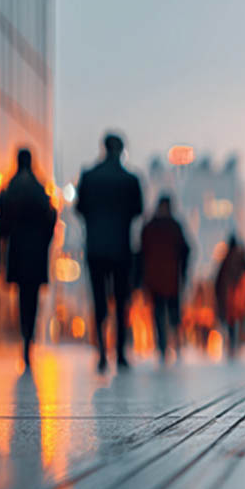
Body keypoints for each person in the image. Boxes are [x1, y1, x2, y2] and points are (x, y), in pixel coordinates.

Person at [76, 133, 144, 371]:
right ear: (121, 150)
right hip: (121, 248)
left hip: (95, 247)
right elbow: (138, 210)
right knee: (121, 300)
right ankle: (121, 352)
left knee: (99, 300)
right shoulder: (130, 180)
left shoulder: (89, 176)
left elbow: (80, 208)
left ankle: (102, 352)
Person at [0, 148, 56, 371]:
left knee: (22, 298)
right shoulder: (39, 190)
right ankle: (29, 338)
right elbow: (51, 219)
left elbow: (0, 226)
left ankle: (25, 339)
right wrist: (45, 243)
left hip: (18, 252)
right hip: (36, 254)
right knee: (32, 298)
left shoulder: (11, 189)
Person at [139, 195, 191, 363]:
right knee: (170, 312)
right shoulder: (174, 227)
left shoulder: (150, 227)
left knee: (160, 313)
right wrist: (183, 272)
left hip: (158, 278)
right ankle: (172, 343)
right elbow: (186, 250)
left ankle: (164, 345)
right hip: (170, 278)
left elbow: (141, 254)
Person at [214, 236, 245, 356]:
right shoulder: (242, 260)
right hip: (240, 296)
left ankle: (233, 342)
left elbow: (218, 281)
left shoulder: (226, 261)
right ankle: (239, 341)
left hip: (229, 296)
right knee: (240, 319)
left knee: (231, 321)